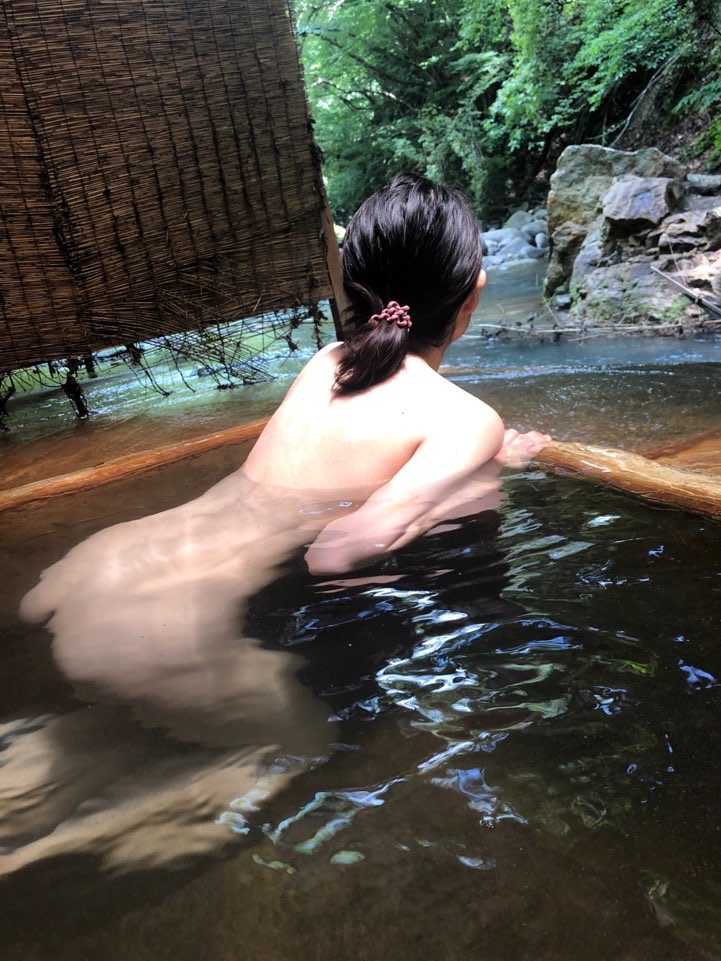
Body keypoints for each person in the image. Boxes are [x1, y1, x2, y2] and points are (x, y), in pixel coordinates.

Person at [8, 172, 548, 874]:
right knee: (305, 748)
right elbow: (337, 551)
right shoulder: (466, 419)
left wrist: (469, 463)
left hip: (99, 569)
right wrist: (478, 474)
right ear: (473, 292)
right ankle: (51, 852)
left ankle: (48, 761)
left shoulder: (327, 362)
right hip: (167, 634)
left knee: (96, 733)